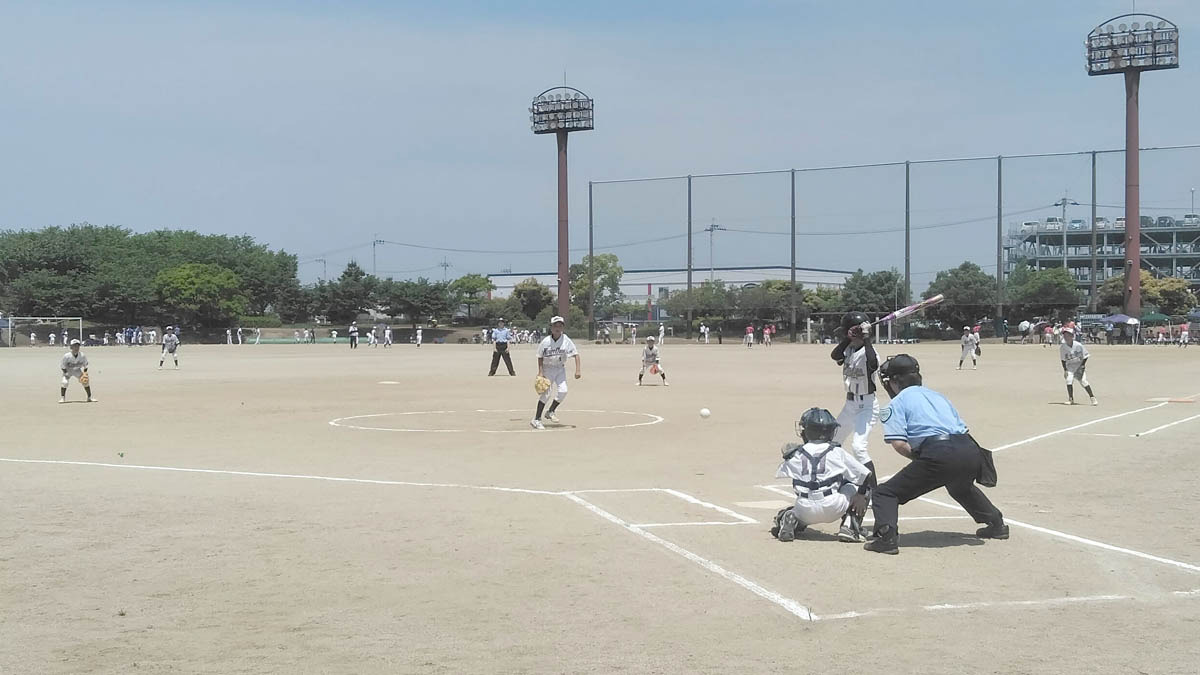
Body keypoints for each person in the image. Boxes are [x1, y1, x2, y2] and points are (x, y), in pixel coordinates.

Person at [864, 354, 1006, 554]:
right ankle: (996, 523)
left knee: (885, 493)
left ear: (894, 381)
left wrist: (922, 460)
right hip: (970, 449)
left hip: (940, 453)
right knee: (960, 486)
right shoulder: (938, 396)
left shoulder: (896, 404)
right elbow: (961, 429)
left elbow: (899, 444)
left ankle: (885, 537)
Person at [771, 407, 871, 543]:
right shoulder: (836, 452)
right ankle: (850, 527)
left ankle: (789, 518)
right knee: (855, 486)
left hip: (804, 509)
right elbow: (865, 475)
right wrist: (860, 495)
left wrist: (788, 454)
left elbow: (782, 471)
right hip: (833, 508)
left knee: (796, 502)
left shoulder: (796, 454)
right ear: (831, 431)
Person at [830, 311, 879, 508]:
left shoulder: (869, 352)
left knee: (859, 448)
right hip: (850, 405)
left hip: (866, 406)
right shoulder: (849, 349)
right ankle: (840, 480)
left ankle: (876, 493)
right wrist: (849, 338)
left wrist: (865, 338)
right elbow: (834, 355)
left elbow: (873, 363)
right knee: (833, 442)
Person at [531, 316, 580, 430]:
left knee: (563, 391)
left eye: (560, 326)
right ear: (551, 328)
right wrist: (540, 372)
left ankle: (551, 411)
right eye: (555, 326)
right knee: (546, 394)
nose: (558, 328)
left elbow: (576, 355)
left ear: (563, 327)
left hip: (560, 368)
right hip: (548, 368)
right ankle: (536, 419)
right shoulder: (546, 341)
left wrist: (578, 370)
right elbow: (540, 356)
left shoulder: (566, 340)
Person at [1060, 326, 1098, 406]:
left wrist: (1082, 366)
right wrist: (1065, 370)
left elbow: (1086, 356)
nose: (1066, 337)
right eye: (1065, 335)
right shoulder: (1063, 347)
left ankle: (1092, 398)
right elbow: (1063, 360)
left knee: (1083, 382)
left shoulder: (1078, 345)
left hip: (1079, 365)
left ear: (1072, 336)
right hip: (1070, 367)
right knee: (1069, 380)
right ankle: (1071, 399)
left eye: (1068, 335)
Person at [60, 339, 97, 403]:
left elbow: (85, 365)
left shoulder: (82, 355)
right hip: (68, 371)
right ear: (71, 347)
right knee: (65, 382)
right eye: (74, 346)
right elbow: (62, 366)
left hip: (77, 370)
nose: (76, 348)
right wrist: (65, 373)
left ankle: (89, 398)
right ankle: (62, 398)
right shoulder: (66, 356)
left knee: (85, 382)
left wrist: (85, 373)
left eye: (77, 346)